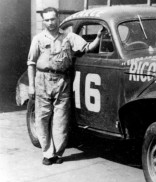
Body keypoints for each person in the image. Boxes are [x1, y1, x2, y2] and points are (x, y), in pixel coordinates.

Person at [27, 7, 103, 165]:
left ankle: (58, 153)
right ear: (43, 21)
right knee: (42, 118)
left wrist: (99, 37)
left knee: (61, 120)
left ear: (58, 18)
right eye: (46, 20)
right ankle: (48, 153)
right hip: (43, 80)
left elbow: (87, 47)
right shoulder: (38, 39)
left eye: (53, 19)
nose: (50, 23)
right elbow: (31, 63)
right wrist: (31, 86)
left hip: (63, 81)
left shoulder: (69, 37)